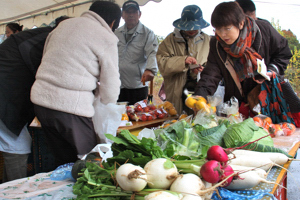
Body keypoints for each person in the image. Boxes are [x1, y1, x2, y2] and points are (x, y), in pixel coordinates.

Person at [30, 1, 121, 167]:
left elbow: (46, 58)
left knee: (63, 160)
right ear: (113, 22)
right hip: (70, 108)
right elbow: (111, 86)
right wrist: (108, 105)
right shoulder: (106, 37)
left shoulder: (63, 25)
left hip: (41, 102)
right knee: (89, 162)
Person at [194, 2, 292, 118]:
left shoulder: (264, 31)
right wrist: (200, 96)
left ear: (240, 24)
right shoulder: (217, 44)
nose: (222, 34)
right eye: (218, 29)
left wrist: (273, 69)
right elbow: (210, 75)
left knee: (271, 131)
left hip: (267, 98)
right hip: (237, 104)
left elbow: (283, 53)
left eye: (227, 28)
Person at [0, 17, 69, 182]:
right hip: (6, 98)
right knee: (17, 146)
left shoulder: (39, 37)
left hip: (9, 95)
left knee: (15, 144)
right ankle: (14, 191)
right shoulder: (48, 41)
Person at [156, 5, 210, 114]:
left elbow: (213, 66)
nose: (192, 30)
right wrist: (182, 61)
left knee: (200, 121)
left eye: (195, 27)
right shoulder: (170, 40)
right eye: (189, 27)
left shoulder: (207, 40)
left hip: (200, 90)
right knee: (177, 121)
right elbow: (162, 63)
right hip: (176, 91)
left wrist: (201, 70)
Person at [115, 0, 158, 105]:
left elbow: (152, 53)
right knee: (119, 117)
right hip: (118, 84)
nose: (131, 15)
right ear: (122, 15)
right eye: (127, 12)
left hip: (138, 85)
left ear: (139, 14)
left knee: (138, 117)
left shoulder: (148, 33)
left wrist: (150, 70)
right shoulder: (116, 33)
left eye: (134, 12)